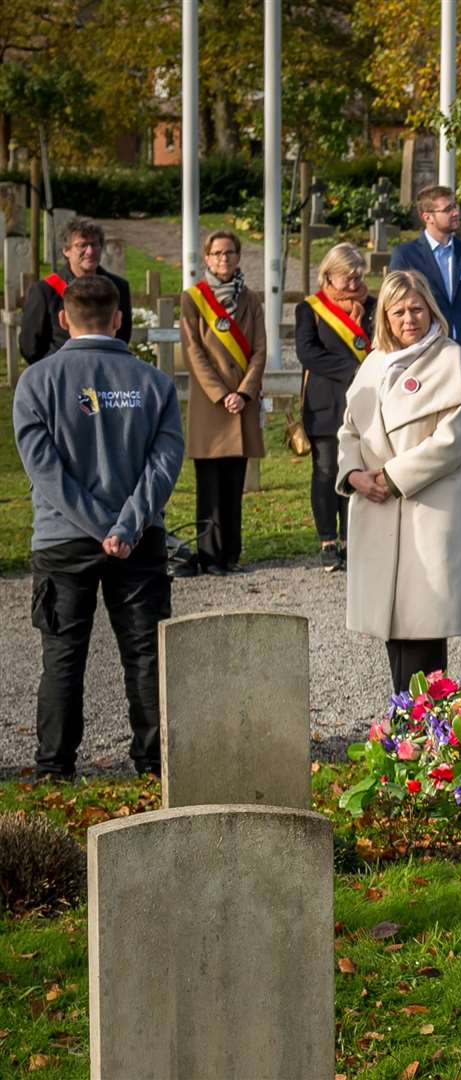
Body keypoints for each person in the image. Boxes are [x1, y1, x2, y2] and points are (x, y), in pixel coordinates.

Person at [14, 275, 183, 779]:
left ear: (63, 319)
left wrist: (96, 526)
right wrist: (124, 526)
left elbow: (43, 470)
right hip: (138, 539)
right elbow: (165, 461)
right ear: (118, 319)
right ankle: (156, 763)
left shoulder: (37, 382)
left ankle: (54, 766)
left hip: (62, 539)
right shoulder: (154, 383)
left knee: (63, 655)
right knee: (146, 653)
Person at [337, 270, 461, 695]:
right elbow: (348, 429)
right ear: (384, 315)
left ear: (431, 309)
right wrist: (354, 475)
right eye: (398, 310)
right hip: (377, 506)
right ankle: (403, 735)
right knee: (393, 633)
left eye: (416, 308)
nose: (408, 318)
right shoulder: (374, 362)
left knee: (423, 633)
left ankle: (424, 738)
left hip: (425, 508)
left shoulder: (453, 361)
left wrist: (393, 477)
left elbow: (452, 440)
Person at [388, 185, 461, 553]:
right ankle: (425, 527)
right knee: (427, 444)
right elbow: (398, 306)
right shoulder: (406, 254)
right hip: (425, 364)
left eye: (455, 206)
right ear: (427, 216)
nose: (456, 213)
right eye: (447, 208)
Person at [178, 230, 265, 576]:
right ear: (206, 258)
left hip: (241, 403)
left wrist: (244, 391)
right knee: (209, 483)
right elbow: (192, 352)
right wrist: (222, 393)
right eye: (216, 254)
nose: (224, 259)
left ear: (238, 256)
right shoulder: (193, 299)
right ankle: (210, 554)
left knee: (234, 483)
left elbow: (260, 349)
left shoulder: (252, 299)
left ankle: (231, 552)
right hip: (211, 404)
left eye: (229, 253)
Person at [295, 243, 372, 573]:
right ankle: (328, 540)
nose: (354, 284)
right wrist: (352, 369)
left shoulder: (373, 305)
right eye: (347, 278)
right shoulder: (310, 309)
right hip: (326, 402)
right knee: (326, 471)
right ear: (328, 276)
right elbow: (307, 353)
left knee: (357, 469)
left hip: (366, 402)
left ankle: (351, 538)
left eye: (358, 277)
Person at [19, 217, 135, 364]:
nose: (90, 251)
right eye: (82, 245)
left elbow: (123, 335)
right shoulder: (45, 290)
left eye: (95, 244)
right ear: (66, 250)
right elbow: (30, 346)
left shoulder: (118, 287)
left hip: (105, 369)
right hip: (60, 372)